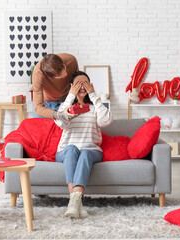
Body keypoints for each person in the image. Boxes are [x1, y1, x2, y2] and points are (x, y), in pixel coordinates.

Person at [54, 71, 113, 218]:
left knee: (85, 151)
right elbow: (60, 122)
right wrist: (70, 97)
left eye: (85, 83)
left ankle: (74, 204)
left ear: (90, 86)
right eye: (78, 83)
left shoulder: (94, 108)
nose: (82, 86)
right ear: (72, 86)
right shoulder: (66, 107)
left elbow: (106, 121)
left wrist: (93, 96)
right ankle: (76, 203)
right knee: (72, 149)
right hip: (66, 151)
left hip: (92, 150)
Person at [32, 53, 79, 119]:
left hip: (66, 100)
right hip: (46, 104)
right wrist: (58, 115)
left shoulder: (71, 60)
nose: (65, 74)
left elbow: (77, 80)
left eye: (64, 69)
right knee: (40, 127)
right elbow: (38, 107)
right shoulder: (38, 73)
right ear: (50, 76)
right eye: (59, 75)